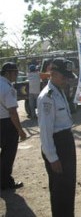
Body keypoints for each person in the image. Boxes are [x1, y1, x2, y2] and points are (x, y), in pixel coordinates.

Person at [37, 58, 76, 217]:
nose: (66, 80)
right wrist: (52, 157)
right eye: (63, 76)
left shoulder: (59, 91)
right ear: (52, 74)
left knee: (69, 186)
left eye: (68, 77)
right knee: (60, 190)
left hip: (66, 142)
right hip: (57, 145)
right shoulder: (47, 97)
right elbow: (45, 131)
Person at [0, 62, 27, 190]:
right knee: (8, 154)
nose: (17, 75)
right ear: (8, 73)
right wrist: (20, 130)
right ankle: (5, 182)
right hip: (6, 124)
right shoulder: (7, 88)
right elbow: (12, 112)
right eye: (15, 72)